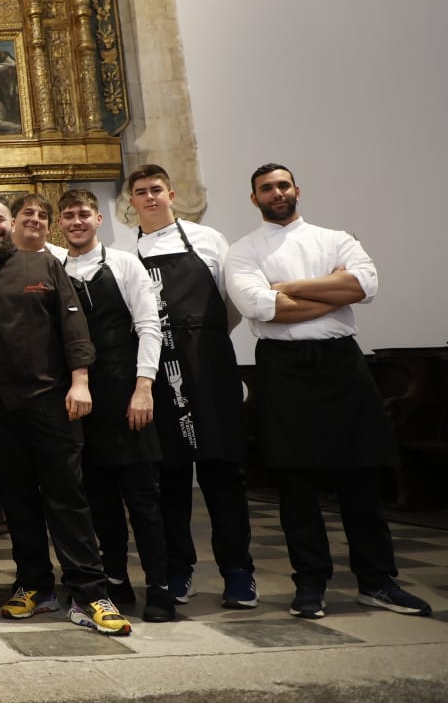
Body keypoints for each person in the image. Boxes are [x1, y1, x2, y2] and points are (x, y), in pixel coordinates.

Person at [226, 164, 431, 620]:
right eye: (266, 188)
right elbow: (259, 306)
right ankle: (310, 583)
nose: (276, 192)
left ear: (297, 189)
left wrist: (289, 288)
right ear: (254, 198)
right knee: (296, 485)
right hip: (283, 368)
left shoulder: (335, 238)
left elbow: (365, 285)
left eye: (283, 184)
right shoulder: (243, 250)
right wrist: (332, 291)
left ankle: (377, 581)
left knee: (362, 478)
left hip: (341, 362)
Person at [0, 193, 132, 636]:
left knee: (68, 499)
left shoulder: (45, 265)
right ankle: (35, 585)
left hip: (52, 402)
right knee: (17, 502)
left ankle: (89, 593)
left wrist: (80, 381)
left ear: (10, 223)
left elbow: (74, 327)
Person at [128, 164, 257, 609]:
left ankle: (239, 573)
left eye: (156, 190)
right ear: (131, 202)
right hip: (159, 373)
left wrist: (200, 334)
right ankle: (178, 569)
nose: (150, 198)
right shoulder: (128, 253)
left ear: (172, 194)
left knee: (223, 476)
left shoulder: (207, 240)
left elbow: (232, 304)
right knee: (171, 480)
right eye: (141, 192)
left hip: (209, 366)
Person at [57, 189, 173, 623]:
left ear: (98, 219)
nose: (76, 222)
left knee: (143, 499)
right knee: (99, 499)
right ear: (60, 224)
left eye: (84, 214)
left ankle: (159, 586)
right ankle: (117, 580)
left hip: (129, 394)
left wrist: (144, 389)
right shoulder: (58, 269)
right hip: (85, 401)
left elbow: (149, 327)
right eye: (68, 217)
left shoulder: (124, 263)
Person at [9, 192, 68, 261]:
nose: (35, 219)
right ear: (13, 222)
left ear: (48, 228)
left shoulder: (63, 258)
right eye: (28, 213)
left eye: (42, 216)